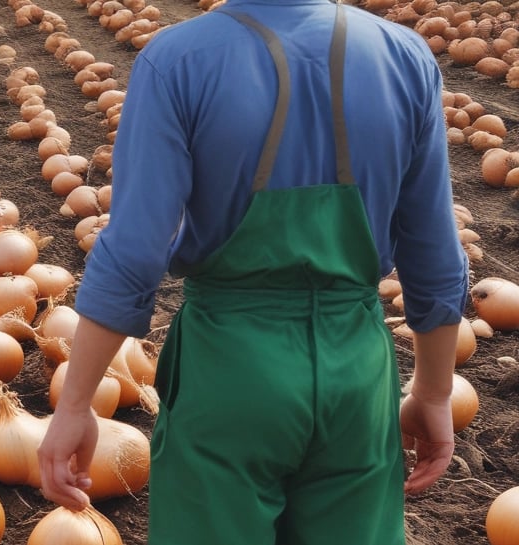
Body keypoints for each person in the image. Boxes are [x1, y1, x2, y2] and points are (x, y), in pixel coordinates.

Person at [36, 1, 469, 544]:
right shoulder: (405, 57)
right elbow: (434, 254)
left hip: (229, 372)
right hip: (356, 374)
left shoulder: (178, 60)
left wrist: (76, 403)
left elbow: (133, 252)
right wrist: (432, 392)